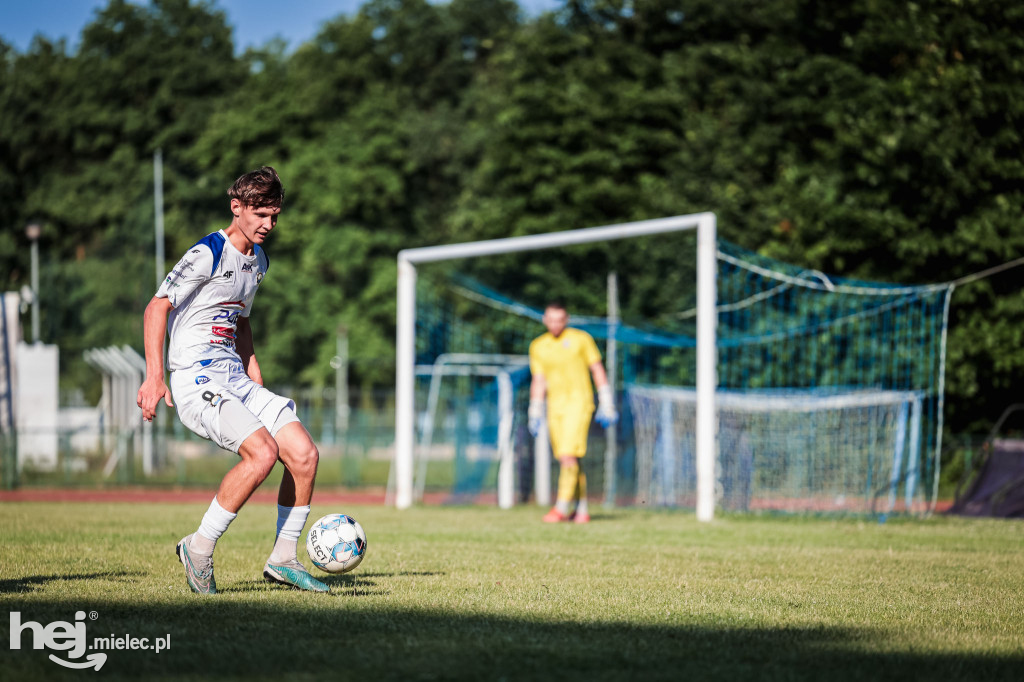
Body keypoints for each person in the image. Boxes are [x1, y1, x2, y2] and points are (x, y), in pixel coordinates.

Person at [136, 167, 328, 595]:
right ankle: (198, 550)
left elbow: (241, 321)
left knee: (304, 454)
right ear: (236, 207)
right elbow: (156, 308)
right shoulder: (209, 252)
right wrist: (154, 377)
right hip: (194, 377)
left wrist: (253, 376)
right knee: (261, 455)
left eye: (275, 216)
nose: (268, 225)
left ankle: (283, 559)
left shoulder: (259, 261)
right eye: (260, 214)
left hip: (233, 377)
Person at [528, 301, 618, 523]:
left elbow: (596, 368)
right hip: (554, 407)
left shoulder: (581, 339)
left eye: (559, 319)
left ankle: (560, 507)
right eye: (551, 319)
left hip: (579, 403)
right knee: (568, 459)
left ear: (566, 319)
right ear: (544, 320)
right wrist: (535, 408)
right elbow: (539, 379)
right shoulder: (538, 346)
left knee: (568, 455)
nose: (555, 324)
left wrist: (606, 400)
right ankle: (582, 509)